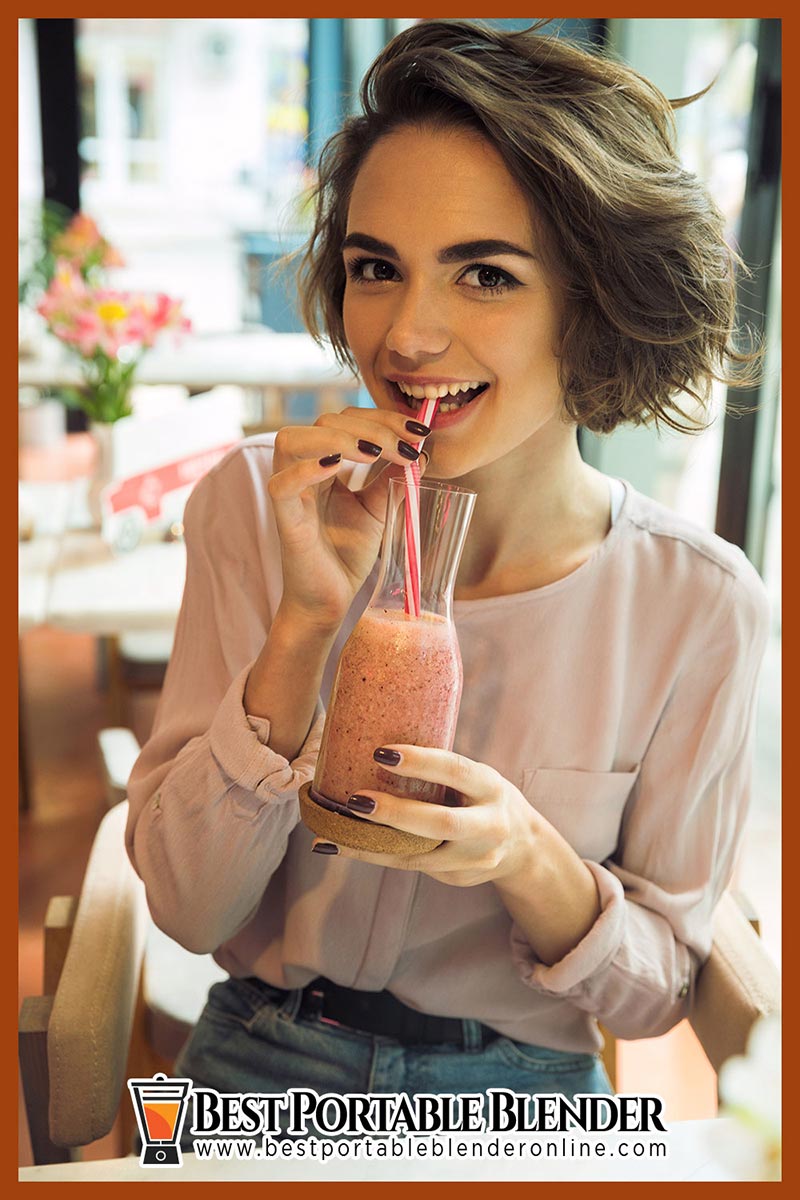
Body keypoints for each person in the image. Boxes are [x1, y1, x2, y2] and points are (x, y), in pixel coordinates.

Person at [126, 19, 770, 1108]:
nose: (406, 336)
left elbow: (654, 994)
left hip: (523, 1091)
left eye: (483, 274)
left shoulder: (695, 605)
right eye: (375, 267)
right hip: (263, 1055)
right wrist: (299, 634)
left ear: (599, 302)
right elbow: (189, 910)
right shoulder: (254, 506)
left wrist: (523, 856)